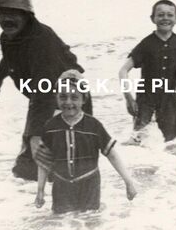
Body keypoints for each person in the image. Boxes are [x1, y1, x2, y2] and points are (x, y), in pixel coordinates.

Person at [0, 0, 91, 181]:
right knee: (28, 167)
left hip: (67, 98)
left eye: (15, 14)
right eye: (3, 14)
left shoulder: (41, 40)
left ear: (27, 17)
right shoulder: (8, 36)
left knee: (58, 164)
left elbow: (44, 90)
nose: (8, 20)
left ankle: (73, 198)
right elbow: (9, 58)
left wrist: (35, 134)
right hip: (42, 97)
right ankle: (34, 199)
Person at [34, 70, 137, 214]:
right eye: (63, 97)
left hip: (89, 186)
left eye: (74, 97)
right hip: (61, 187)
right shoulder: (50, 127)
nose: (68, 102)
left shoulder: (94, 126)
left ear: (84, 99)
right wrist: (40, 190)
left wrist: (128, 182)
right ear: (56, 98)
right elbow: (43, 162)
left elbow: (112, 155)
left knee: (89, 221)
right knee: (61, 222)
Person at [119, 0, 176, 144]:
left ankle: (166, 160)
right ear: (152, 18)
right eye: (160, 15)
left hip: (169, 99)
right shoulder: (146, 44)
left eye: (170, 15)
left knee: (171, 141)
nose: (165, 18)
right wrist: (128, 98)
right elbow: (123, 70)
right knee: (138, 138)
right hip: (145, 99)